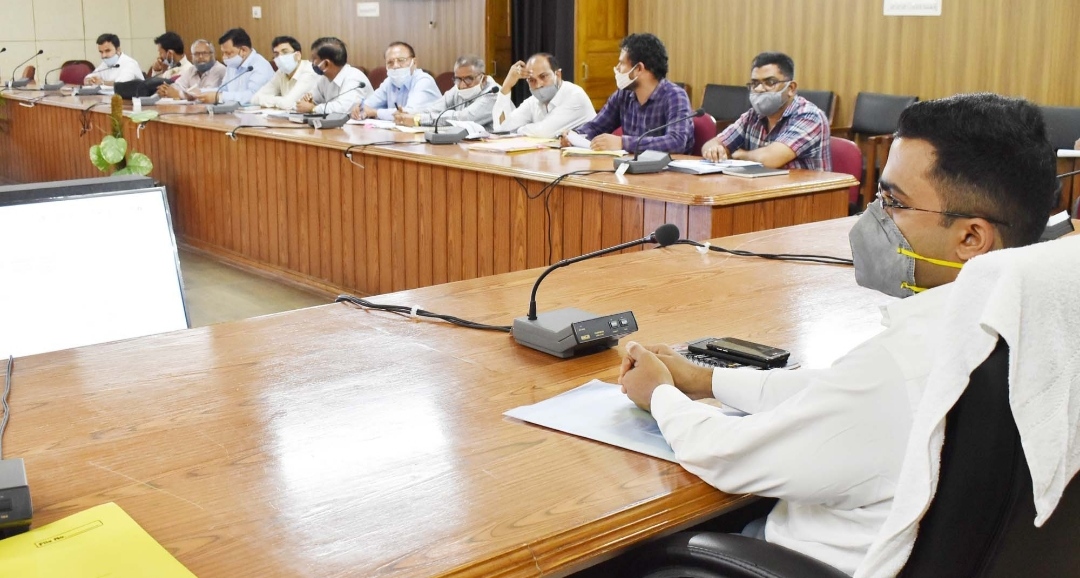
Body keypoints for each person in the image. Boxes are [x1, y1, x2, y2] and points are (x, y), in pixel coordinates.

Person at [617, 93, 1057, 576]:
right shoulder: (1029, 326)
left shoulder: (902, 369)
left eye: (893, 202)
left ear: (971, 238)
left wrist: (659, 394)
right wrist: (706, 380)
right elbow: (833, 393)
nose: (873, 216)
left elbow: (725, 455)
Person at [562, 33, 693, 154]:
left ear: (639, 68)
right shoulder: (623, 95)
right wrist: (574, 136)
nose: (617, 68)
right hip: (631, 167)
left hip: (669, 169)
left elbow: (676, 142)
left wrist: (623, 143)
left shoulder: (675, 96)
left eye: (622, 63)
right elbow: (596, 127)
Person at [700, 52, 830, 170]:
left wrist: (739, 155)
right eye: (755, 83)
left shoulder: (809, 116)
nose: (759, 89)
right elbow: (711, 144)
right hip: (760, 186)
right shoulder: (752, 116)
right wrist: (714, 150)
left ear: (791, 88)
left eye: (770, 82)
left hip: (803, 188)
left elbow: (770, 159)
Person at [491, 53, 595, 138]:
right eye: (532, 80)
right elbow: (502, 128)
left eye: (543, 76)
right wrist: (507, 86)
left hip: (587, 155)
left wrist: (518, 129)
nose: (538, 85)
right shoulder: (533, 101)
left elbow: (544, 132)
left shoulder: (575, 95)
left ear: (558, 75)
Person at [392, 55, 499, 130]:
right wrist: (408, 114)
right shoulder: (458, 87)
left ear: (483, 78)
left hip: (492, 149)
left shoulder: (493, 93)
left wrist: (418, 119)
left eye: (468, 79)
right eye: (458, 79)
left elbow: (463, 119)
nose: (462, 85)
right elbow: (433, 109)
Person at [350, 41, 440, 121]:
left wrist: (375, 112)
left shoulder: (424, 81)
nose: (395, 66)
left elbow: (409, 114)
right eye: (390, 62)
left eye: (401, 60)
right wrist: (359, 109)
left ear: (414, 62)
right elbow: (367, 106)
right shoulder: (389, 81)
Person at [294, 37, 371, 115]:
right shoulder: (324, 79)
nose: (312, 62)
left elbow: (343, 109)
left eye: (314, 59)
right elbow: (312, 100)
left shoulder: (354, 78)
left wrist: (313, 108)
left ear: (326, 63)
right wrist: (306, 101)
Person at [197, 28, 274, 105]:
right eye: (223, 53)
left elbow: (253, 96)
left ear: (243, 50)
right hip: (235, 110)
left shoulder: (260, 65)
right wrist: (199, 93)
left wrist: (220, 97)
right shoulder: (232, 65)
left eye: (228, 53)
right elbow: (223, 89)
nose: (224, 57)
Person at [249, 36, 318, 110]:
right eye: (276, 54)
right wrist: (281, 100)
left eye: (285, 52)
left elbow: (287, 104)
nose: (280, 57)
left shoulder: (309, 71)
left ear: (298, 55)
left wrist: (278, 100)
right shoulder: (281, 72)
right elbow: (254, 99)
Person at [158, 39, 226, 100]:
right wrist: (166, 90)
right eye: (196, 54)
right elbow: (178, 85)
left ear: (213, 55)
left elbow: (207, 94)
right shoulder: (191, 70)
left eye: (204, 53)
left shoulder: (221, 70)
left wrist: (179, 94)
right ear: (192, 56)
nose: (200, 57)